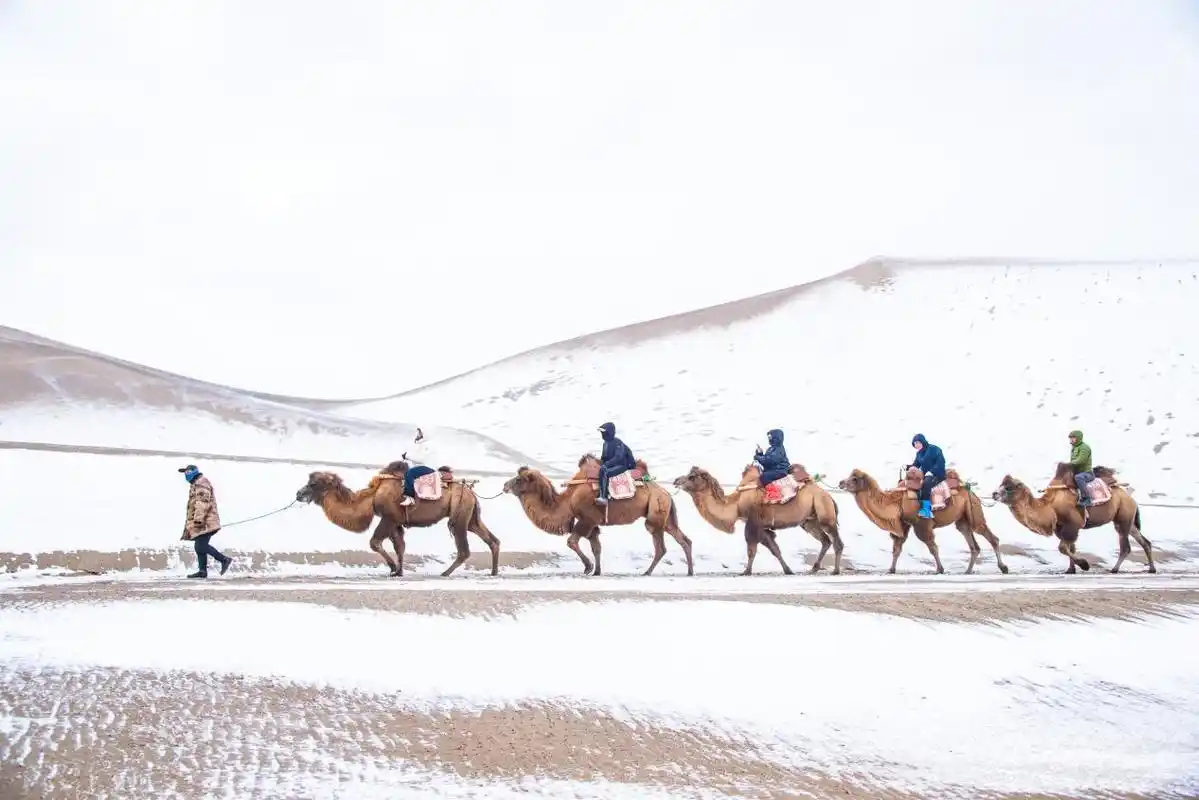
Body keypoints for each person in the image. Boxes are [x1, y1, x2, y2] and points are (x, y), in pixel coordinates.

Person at [178, 464, 231, 578]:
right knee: (199, 545)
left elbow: (203, 502)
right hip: (203, 521)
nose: (186, 475)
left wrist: (198, 519)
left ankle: (224, 560)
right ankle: (202, 571)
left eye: (187, 472)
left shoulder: (201, 483)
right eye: (184, 473)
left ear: (193, 472)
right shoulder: (196, 484)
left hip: (206, 522)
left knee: (201, 546)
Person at [596, 422, 637, 506]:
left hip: (622, 465)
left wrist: (607, 464)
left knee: (606, 472)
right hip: (613, 464)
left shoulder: (618, 442)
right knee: (601, 470)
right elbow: (604, 457)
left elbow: (619, 457)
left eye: (604, 433)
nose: (602, 434)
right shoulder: (605, 444)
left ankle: (604, 497)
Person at [908, 434, 946, 519]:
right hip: (926, 475)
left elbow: (941, 462)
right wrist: (909, 467)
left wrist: (932, 472)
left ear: (923, 441)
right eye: (914, 443)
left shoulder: (934, 449)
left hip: (937, 474)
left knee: (926, 484)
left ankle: (926, 510)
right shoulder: (919, 454)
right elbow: (916, 464)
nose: (916, 445)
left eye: (917, 442)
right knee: (913, 483)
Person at [1067, 429, 1095, 507]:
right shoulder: (1074, 448)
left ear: (1078, 438)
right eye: (1070, 438)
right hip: (1078, 471)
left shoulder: (1084, 447)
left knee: (1078, 477)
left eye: (1073, 438)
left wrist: (1069, 464)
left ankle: (1087, 498)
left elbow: (1081, 460)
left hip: (1087, 473)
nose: (1071, 439)